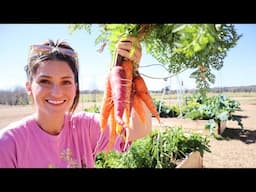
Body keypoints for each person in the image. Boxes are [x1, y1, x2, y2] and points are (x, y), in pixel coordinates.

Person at [0, 37, 152, 168]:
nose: (56, 92)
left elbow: (137, 130)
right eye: (45, 81)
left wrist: (131, 73)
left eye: (65, 82)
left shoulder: (85, 127)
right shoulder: (9, 144)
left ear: (75, 87)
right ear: (29, 87)